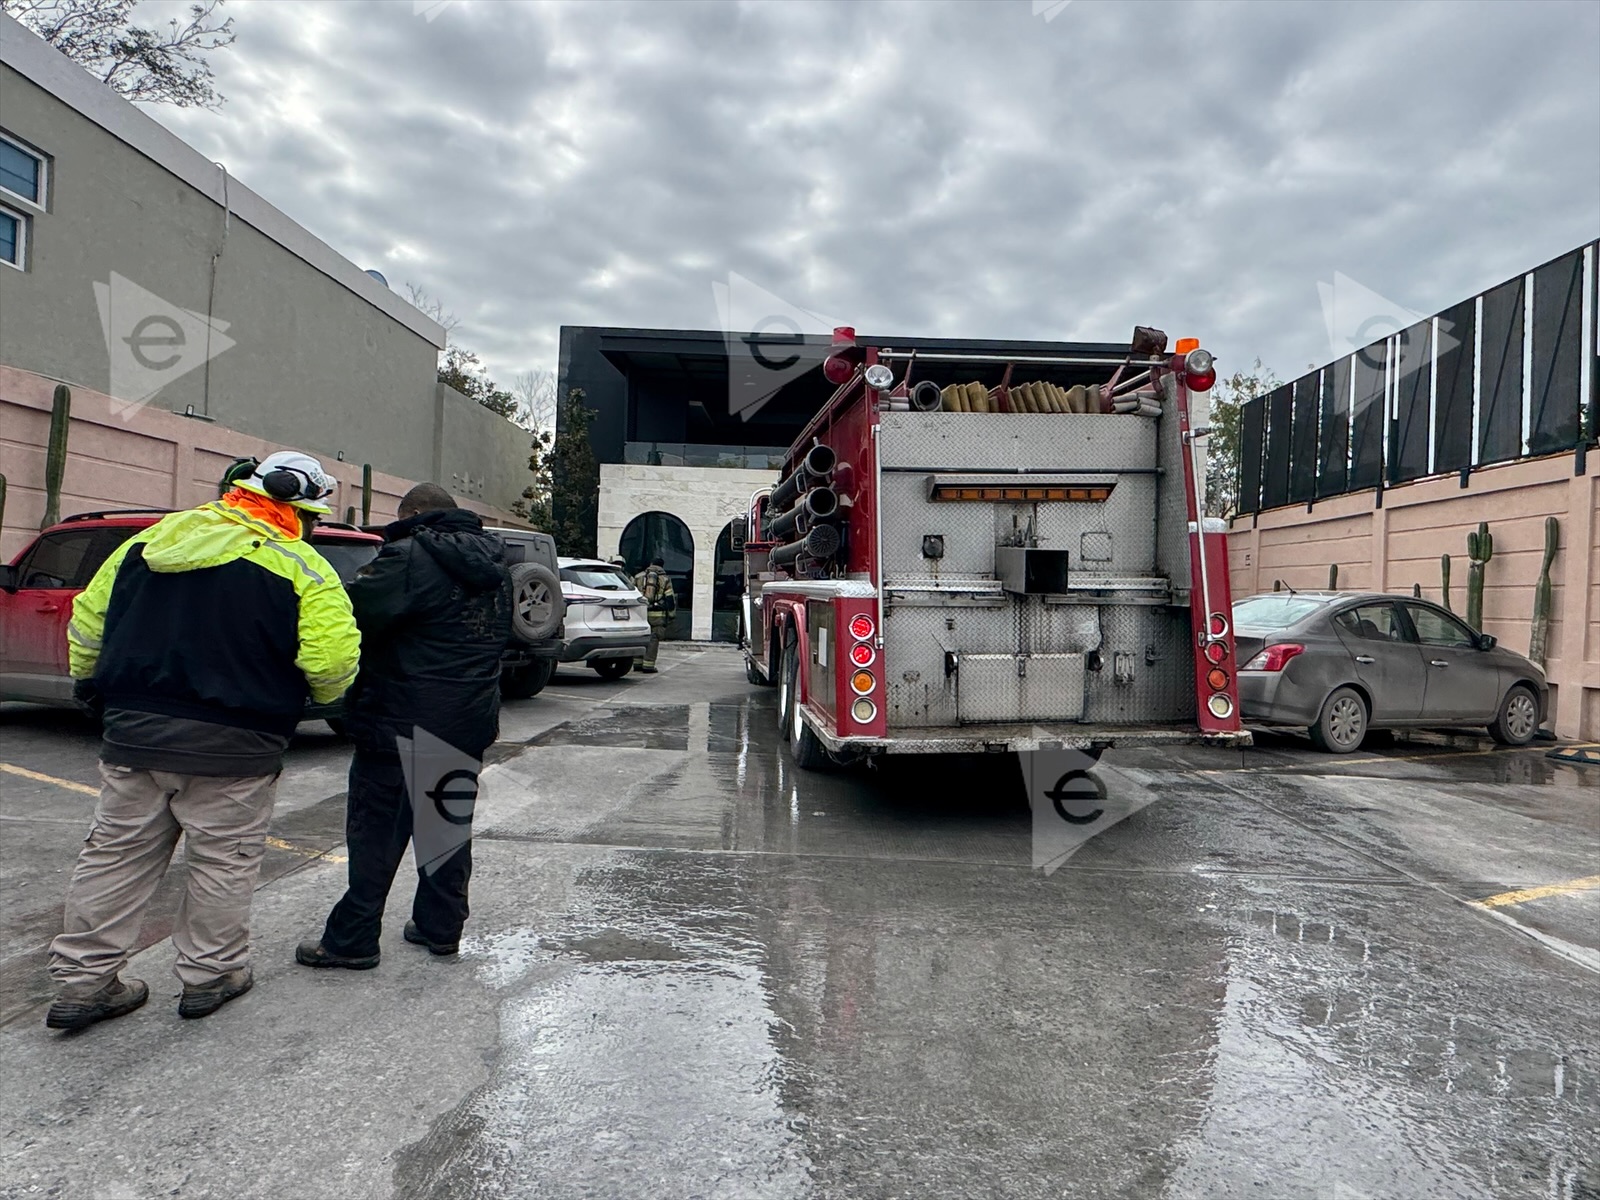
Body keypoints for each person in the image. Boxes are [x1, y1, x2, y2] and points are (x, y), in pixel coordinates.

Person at [47, 451, 359, 1029]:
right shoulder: (301, 565)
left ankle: (83, 984)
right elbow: (332, 658)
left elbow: (89, 619)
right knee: (223, 861)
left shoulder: (148, 542)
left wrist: (89, 681)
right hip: (237, 743)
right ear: (299, 509)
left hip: (135, 733)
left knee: (114, 857)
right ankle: (210, 976)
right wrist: (321, 697)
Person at [297, 483, 511, 970]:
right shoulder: (500, 565)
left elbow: (354, 616)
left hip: (397, 717)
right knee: (445, 827)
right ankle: (442, 928)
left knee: (375, 831)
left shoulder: (407, 557)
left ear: (413, 514)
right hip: (464, 719)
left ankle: (352, 938)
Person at [633, 556, 675, 674]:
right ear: (662, 566)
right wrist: (671, 615)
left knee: (640, 637)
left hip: (641, 613)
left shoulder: (638, 577)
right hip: (657, 615)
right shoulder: (665, 579)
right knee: (653, 639)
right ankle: (648, 665)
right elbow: (670, 599)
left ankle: (637, 663)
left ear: (651, 564)